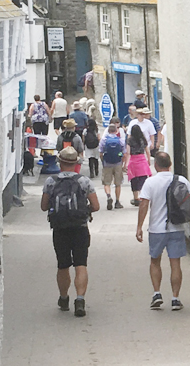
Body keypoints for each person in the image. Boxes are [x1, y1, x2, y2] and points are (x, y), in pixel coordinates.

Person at [41, 147, 100, 318]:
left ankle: (64, 298)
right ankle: (80, 299)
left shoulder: (51, 182)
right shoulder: (84, 181)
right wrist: (83, 211)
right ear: (75, 163)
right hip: (80, 227)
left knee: (63, 264)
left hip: (60, 228)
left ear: (60, 162)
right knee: (81, 263)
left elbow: (44, 206)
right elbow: (96, 206)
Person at [137, 151, 190, 311]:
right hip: (176, 227)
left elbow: (143, 204)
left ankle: (157, 294)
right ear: (170, 164)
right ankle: (175, 299)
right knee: (175, 263)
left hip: (156, 229)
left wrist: (139, 227)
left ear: (155, 165)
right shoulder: (181, 180)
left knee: (155, 261)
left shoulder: (150, 182)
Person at [99, 118, 126, 209]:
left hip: (107, 163)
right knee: (118, 183)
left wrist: (103, 161)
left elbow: (101, 153)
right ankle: (117, 201)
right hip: (118, 163)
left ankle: (108, 196)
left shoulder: (104, 141)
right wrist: (123, 163)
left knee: (107, 182)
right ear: (116, 131)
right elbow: (124, 153)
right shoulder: (120, 140)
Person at [125, 124, 152, 206]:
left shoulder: (129, 140)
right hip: (142, 160)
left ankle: (136, 197)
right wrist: (148, 160)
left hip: (133, 160)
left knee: (134, 179)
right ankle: (142, 196)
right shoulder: (143, 140)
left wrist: (126, 164)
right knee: (143, 179)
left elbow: (128, 153)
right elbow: (147, 151)